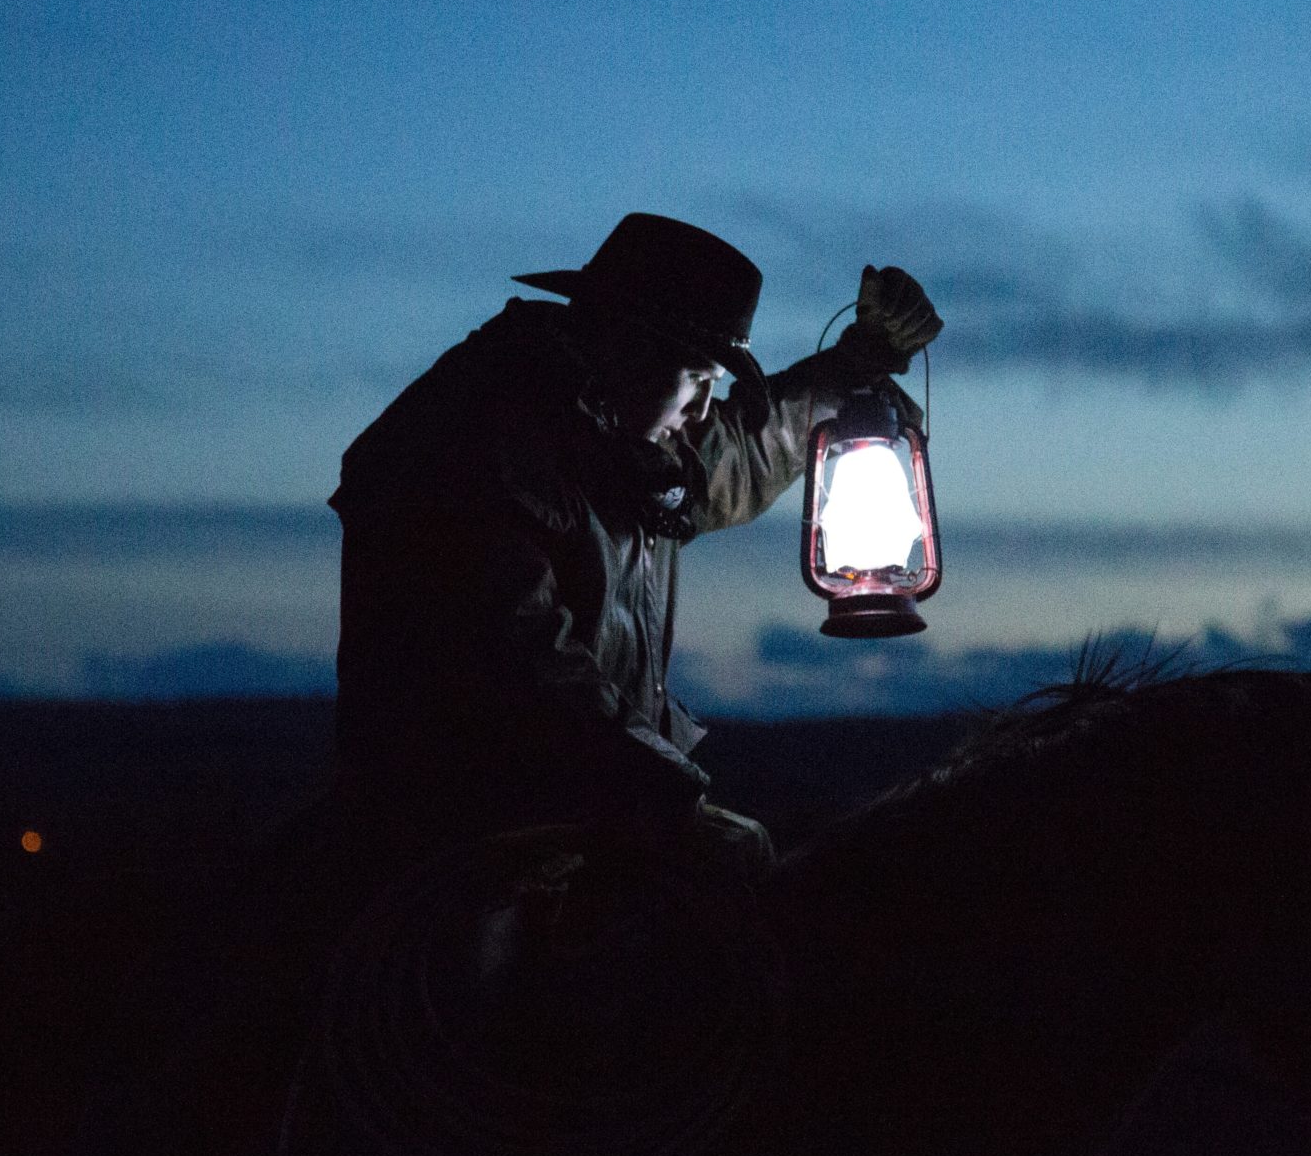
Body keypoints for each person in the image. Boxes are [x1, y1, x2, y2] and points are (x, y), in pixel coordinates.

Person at [318, 211, 940, 899]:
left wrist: (855, 364)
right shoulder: (473, 440)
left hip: (586, 809)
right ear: (627, 345)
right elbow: (521, 672)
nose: (706, 410)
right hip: (460, 834)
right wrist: (671, 797)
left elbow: (742, 449)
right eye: (699, 379)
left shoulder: (622, 438)